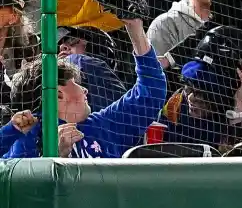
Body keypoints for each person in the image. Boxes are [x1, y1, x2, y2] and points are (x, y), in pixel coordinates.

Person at [6, 8, 167, 158]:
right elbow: (17, 178)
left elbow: (151, 91)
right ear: (58, 94)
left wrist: (135, 28)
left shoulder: (101, 125)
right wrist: (52, 159)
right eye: (75, 83)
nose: (85, 89)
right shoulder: (26, 139)